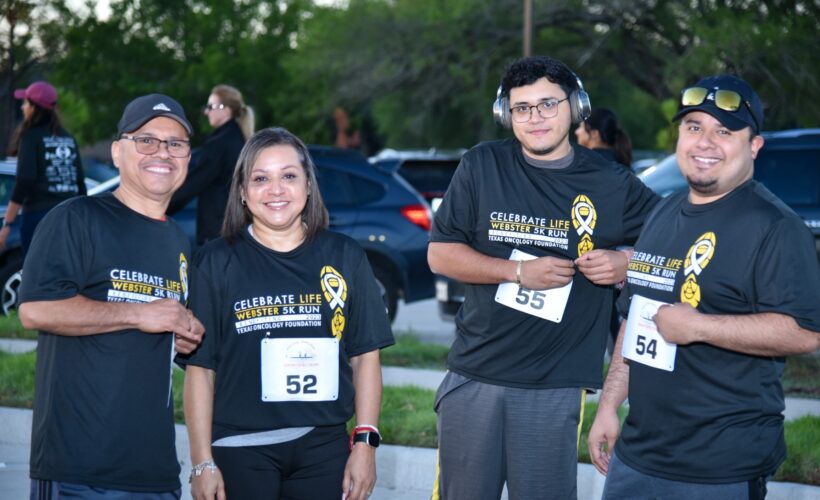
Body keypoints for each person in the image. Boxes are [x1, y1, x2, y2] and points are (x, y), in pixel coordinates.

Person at [427, 55, 660, 499]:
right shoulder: (482, 165)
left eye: (548, 104)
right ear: (506, 114)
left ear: (576, 107)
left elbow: (676, 243)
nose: (535, 118)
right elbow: (440, 254)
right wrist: (517, 272)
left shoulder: (611, 182)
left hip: (555, 384)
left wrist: (627, 261)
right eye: (522, 108)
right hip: (475, 374)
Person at [588, 75, 820, 499]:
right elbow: (636, 315)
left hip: (719, 468)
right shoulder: (662, 214)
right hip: (637, 456)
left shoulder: (776, 227)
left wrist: (698, 327)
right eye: (694, 127)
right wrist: (608, 405)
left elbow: (804, 332)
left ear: (754, 146)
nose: (705, 142)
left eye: (724, 131)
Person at [177, 127, 394, 500]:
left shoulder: (344, 256)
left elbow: (365, 357)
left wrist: (365, 443)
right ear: (242, 191)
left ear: (308, 185)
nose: (275, 190)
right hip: (240, 448)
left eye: (289, 176)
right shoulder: (214, 262)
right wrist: (201, 462)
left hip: (324, 448)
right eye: (260, 179)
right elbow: (200, 371)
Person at [18, 93, 205, 499]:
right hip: (79, 472)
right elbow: (35, 309)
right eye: (147, 140)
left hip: (155, 474)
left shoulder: (177, 240)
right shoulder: (76, 218)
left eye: (175, 144)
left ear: (188, 158)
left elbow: (161, 328)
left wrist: (182, 335)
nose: (163, 152)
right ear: (118, 152)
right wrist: (139, 313)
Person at [1, 80, 86, 254]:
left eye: (25, 103)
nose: (22, 107)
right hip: (69, 217)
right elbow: (80, 182)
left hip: (39, 217)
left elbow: (24, 181)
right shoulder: (68, 137)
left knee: (36, 268)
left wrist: (7, 224)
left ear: (34, 107)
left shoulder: (31, 136)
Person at [168, 84, 254, 246]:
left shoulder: (220, 142)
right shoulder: (239, 138)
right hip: (235, 227)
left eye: (211, 107)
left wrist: (162, 207)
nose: (207, 112)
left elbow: (195, 182)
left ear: (226, 109)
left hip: (219, 231)